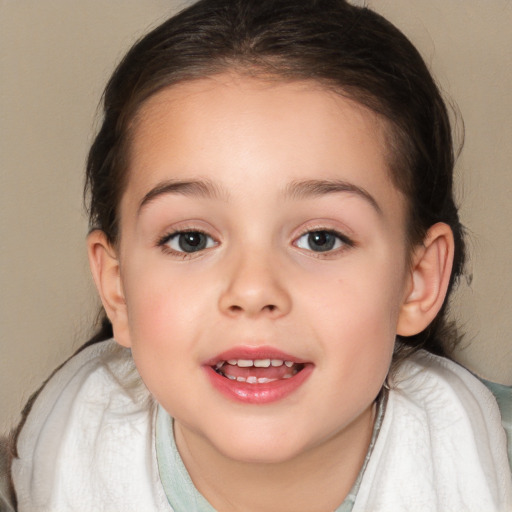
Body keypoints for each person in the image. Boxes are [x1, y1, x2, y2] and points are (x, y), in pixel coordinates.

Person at [4, 0, 512, 510]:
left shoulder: (486, 469)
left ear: (417, 279)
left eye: (321, 239)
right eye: (191, 239)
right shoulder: (49, 469)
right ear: (117, 287)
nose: (252, 290)